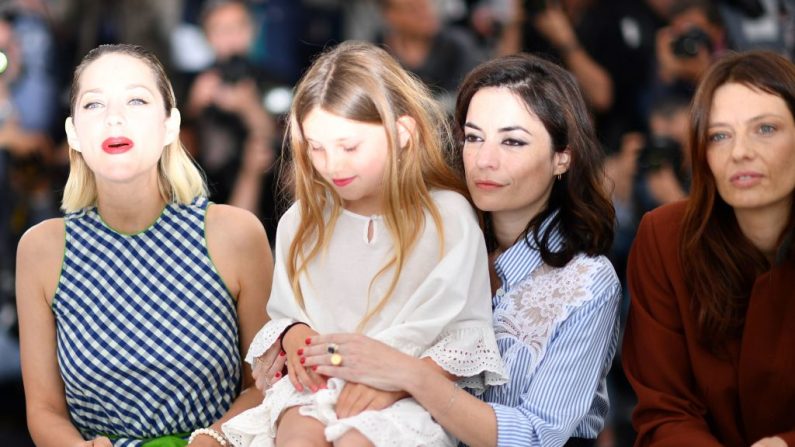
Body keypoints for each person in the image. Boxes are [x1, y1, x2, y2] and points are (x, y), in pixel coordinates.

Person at [300, 53, 622, 446]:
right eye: (473, 137)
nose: (485, 160)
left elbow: (537, 436)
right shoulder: (431, 234)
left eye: (513, 141)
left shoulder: (587, 281)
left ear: (562, 157)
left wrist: (412, 377)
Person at [221, 41, 506, 447]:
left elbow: (462, 334)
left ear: (403, 133)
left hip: (409, 397)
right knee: (297, 437)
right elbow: (286, 311)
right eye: (315, 148)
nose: (331, 165)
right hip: (317, 388)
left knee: (358, 440)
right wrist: (294, 333)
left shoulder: (448, 218)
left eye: (349, 147)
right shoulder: (300, 222)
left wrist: (398, 384)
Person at [16, 43, 274, 447]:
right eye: (94, 105)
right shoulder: (41, 249)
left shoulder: (236, 233)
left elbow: (265, 386)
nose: (114, 118)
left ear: (171, 124)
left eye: (136, 100)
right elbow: (44, 410)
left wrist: (213, 439)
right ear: (73, 134)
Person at [622, 50, 795, 447]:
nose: (740, 152)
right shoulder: (664, 238)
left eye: (765, 129)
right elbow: (664, 411)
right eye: (719, 135)